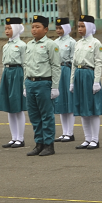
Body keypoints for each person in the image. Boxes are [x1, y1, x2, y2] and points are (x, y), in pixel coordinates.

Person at [24, 15, 61, 157]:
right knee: (34, 116)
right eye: (33, 27)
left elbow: (56, 66)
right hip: (30, 82)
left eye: (37, 27)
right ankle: (38, 143)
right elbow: (26, 66)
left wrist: (55, 87)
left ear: (45, 29)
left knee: (46, 115)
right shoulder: (29, 45)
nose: (34, 30)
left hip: (44, 83)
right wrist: (24, 86)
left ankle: (48, 144)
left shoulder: (51, 45)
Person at [71, 15, 102, 150]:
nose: (80, 29)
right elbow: (74, 63)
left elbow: (98, 63)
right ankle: (87, 138)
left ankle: (95, 140)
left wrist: (96, 81)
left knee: (93, 109)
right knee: (82, 108)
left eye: (82, 26)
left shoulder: (96, 43)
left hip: (89, 75)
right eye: (79, 26)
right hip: (79, 75)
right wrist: (71, 82)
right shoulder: (77, 43)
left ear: (90, 27)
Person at [0, 18, 27, 149]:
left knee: (18, 107)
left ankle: (20, 138)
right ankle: (13, 137)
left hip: (17, 73)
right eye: (6, 28)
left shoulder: (22, 45)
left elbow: (26, 65)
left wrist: (25, 83)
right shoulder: (5, 45)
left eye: (10, 28)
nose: (7, 31)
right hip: (7, 73)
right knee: (10, 108)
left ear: (15, 29)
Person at [53, 17, 77, 143]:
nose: (58, 30)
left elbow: (74, 59)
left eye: (61, 28)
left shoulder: (72, 42)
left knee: (69, 101)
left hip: (67, 70)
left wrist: (72, 78)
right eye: (57, 28)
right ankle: (64, 132)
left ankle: (70, 132)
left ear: (67, 28)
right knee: (60, 102)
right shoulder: (55, 42)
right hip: (58, 71)